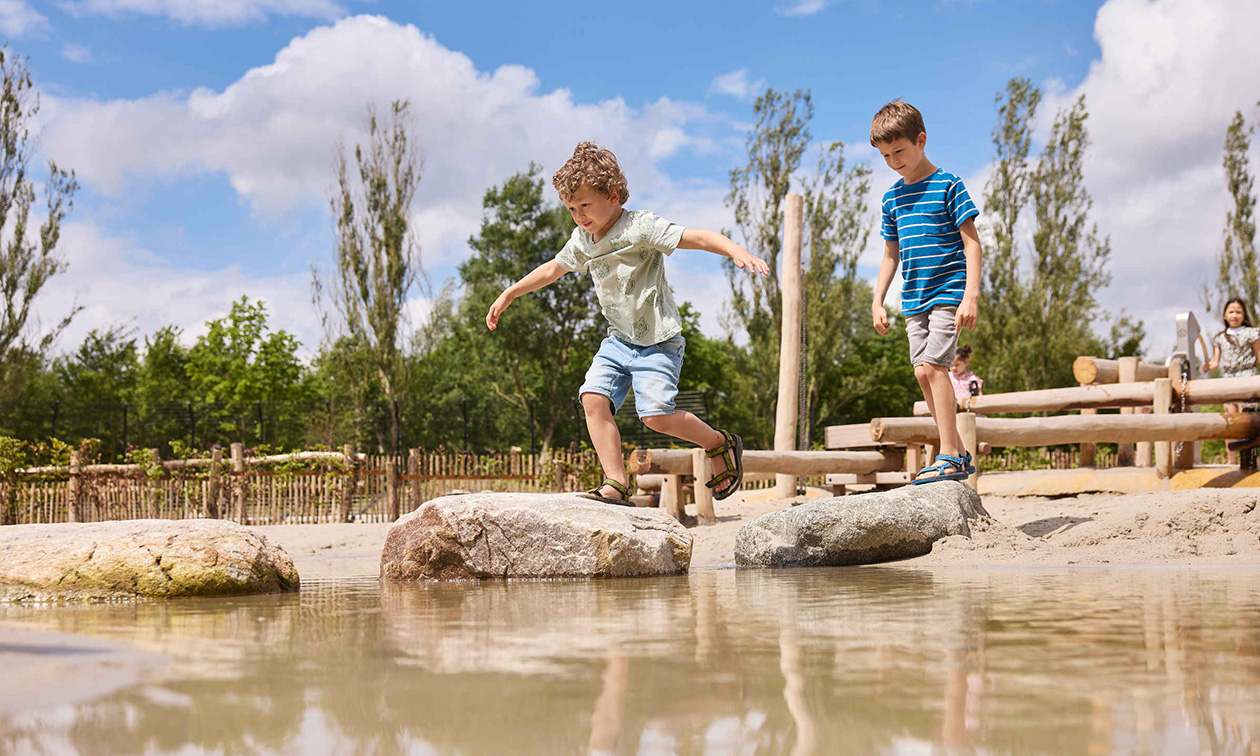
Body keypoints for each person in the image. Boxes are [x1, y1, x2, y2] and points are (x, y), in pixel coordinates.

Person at [486, 142, 770, 505]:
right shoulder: (582, 240)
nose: (578, 215)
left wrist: (736, 250)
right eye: (571, 208)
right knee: (592, 398)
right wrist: (510, 292)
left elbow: (694, 236)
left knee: (656, 418)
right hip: (618, 341)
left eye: (584, 205)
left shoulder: (640, 226)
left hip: (658, 342)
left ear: (614, 195)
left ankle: (719, 443)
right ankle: (616, 482)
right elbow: (553, 269)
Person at [869, 100, 983, 484]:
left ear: (921, 140)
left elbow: (972, 244)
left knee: (936, 367)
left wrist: (971, 295)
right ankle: (959, 452)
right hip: (913, 298)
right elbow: (890, 254)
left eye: (899, 151)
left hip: (949, 291)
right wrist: (877, 299)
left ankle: (948, 452)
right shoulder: (891, 199)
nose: (893, 161)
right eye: (885, 156)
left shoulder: (948, 184)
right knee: (922, 372)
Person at [1203, 297, 1260, 463]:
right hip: (1228, 379)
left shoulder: (1252, 333)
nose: (1235, 315)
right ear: (1225, 315)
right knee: (1229, 421)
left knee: (1246, 421)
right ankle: (1231, 460)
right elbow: (1215, 362)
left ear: (1244, 315)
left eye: (1238, 312)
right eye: (1231, 312)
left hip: (1247, 377)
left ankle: (1249, 460)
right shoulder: (1220, 337)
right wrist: (1208, 366)